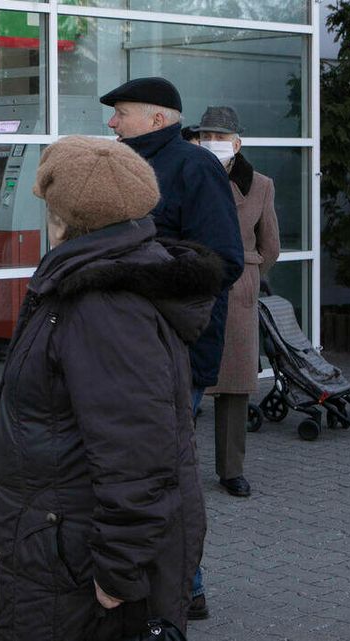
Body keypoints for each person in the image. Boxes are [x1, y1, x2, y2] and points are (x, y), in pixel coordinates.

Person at [0, 136, 221, 641]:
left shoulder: (102, 304)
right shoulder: (100, 275)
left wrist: (119, 569)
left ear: (66, 219)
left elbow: (137, 450)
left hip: (75, 561)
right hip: (52, 539)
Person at [100, 78, 244, 620]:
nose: (112, 123)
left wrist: (139, 275)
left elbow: (222, 262)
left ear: (158, 120)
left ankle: (186, 587)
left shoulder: (194, 167)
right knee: (143, 473)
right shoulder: (121, 165)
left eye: (122, 114)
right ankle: (151, 583)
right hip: (128, 348)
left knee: (165, 475)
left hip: (176, 352)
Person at [195, 106, 281, 499]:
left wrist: (249, 276)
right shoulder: (189, 176)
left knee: (234, 385)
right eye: (206, 136)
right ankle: (173, 469)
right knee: (185, 378)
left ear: (237, 143)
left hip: (238, 287)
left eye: (220, 137)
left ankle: (232, 470)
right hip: (193, 281)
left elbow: (271, 246)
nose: (213, 144)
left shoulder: (260, 184)